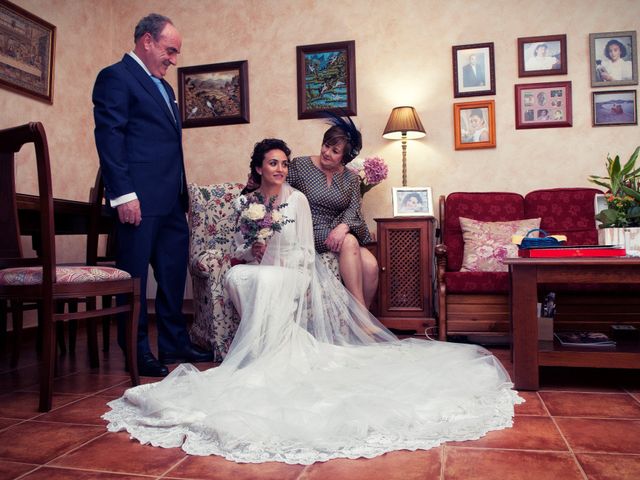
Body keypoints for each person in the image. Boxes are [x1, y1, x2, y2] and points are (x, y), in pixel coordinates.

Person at [102, 138, 523, 465]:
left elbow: (305, 250)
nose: (282, 169)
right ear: (258, 168)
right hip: (253, 266)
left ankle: (273, 352)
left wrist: (283, 260)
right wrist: (254, 248)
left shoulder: (299, 199)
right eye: (273, 163)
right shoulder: (245, 203)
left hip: (291, 269)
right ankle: (254, 349)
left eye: (285, 163)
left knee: (279, 280)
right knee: (245, 276)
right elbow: (236, 247)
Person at [92, 13, 212, 377]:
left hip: (171, 199)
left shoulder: (166, 88)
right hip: (138, 200)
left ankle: (175, 342)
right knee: (135, 279)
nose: (174, 59)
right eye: (169, 50)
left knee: (174, 275)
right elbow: (109, 137)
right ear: (147, 41)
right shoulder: (115, 77)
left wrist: (183, 194)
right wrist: (123, 194)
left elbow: (168, 145)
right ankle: (136, 348)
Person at [286, 114, 378, 309]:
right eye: (326, 145)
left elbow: (354, 208)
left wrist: (342, 227)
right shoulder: (301, 165)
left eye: (335, 151)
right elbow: (278, 187)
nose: (326, 152)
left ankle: (358, 323)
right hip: (309, 229)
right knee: (351, 241)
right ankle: (363, 319)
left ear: (344, 158)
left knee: (371, 265)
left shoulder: (351, 179)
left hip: (338, 231)